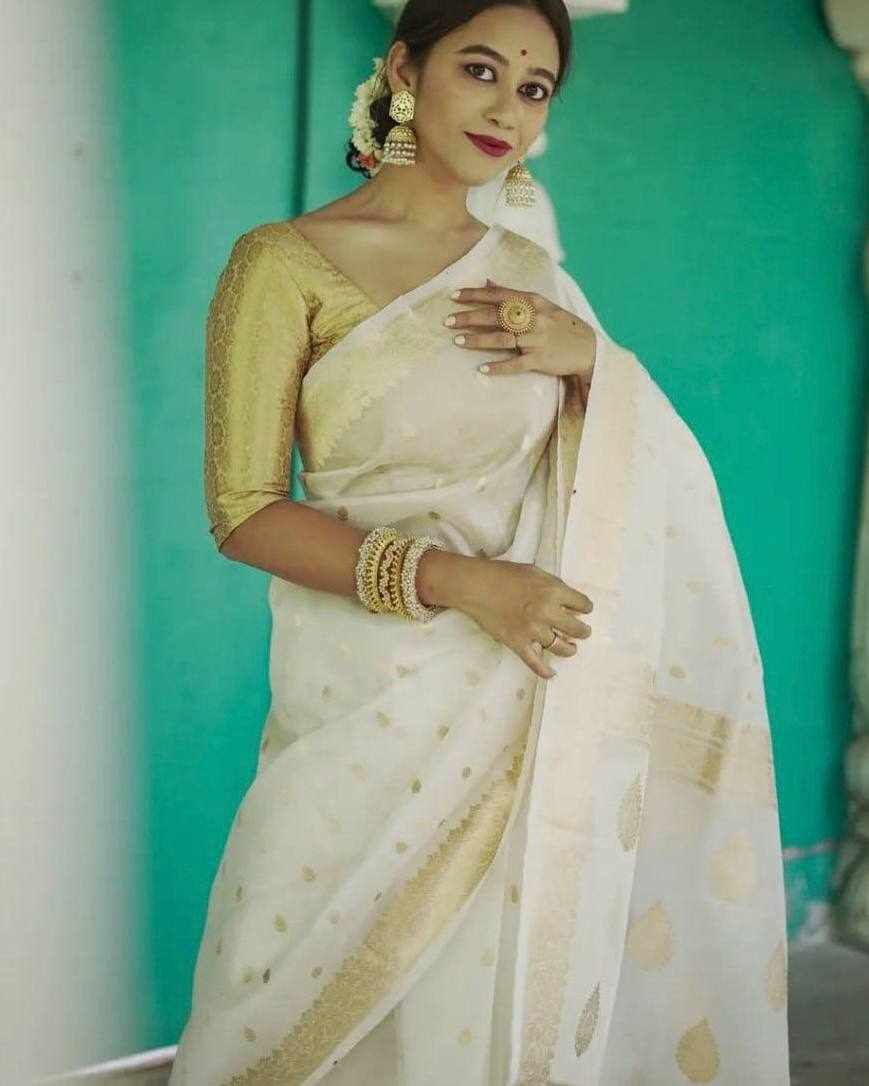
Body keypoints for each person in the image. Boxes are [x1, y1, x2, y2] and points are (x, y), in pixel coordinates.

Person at [169, 2, 791, 1083]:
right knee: (292, 991)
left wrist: (595, 368)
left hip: (528, 699)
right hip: (366, 703)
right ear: (405, 69)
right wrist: (460, 582)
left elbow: (624, 476)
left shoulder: (533, 279)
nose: (508, 108)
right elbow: (244, 510)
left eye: (535, 88)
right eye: (480, 69)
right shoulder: (283, 264)